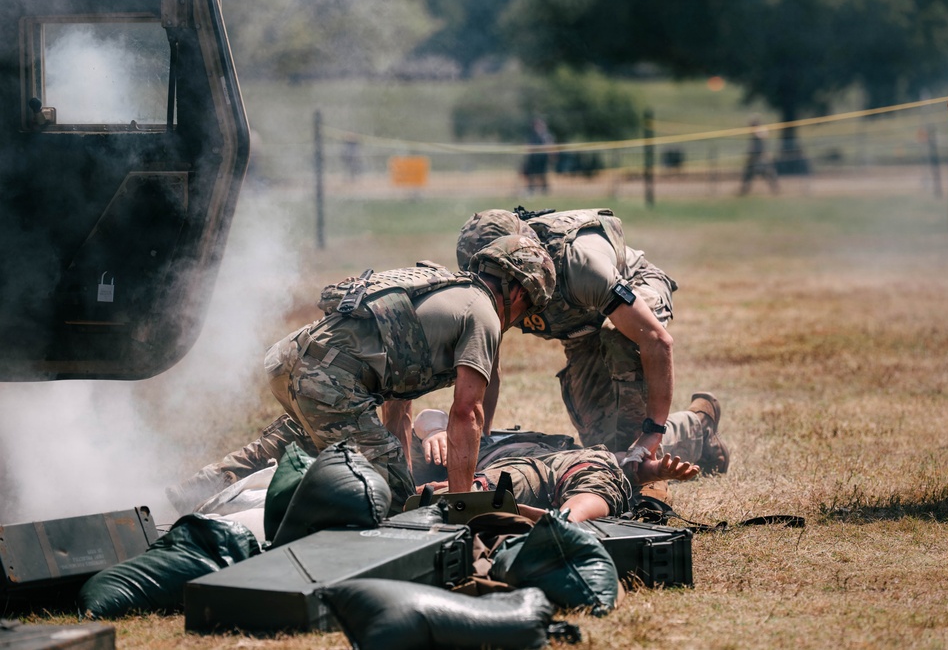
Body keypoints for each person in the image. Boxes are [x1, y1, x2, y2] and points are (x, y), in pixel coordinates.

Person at [166, 235, 557, 515]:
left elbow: (396, 404)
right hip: (331, 378)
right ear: (520, 294)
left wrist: (396, 456)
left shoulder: (445, 293)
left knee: (300, 442)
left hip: (294, 360)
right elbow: (466, 413)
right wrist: (462, 505)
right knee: (397, 500)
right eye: (526, 311)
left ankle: (201, 487)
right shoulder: (483, 313)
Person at [447, 208, 729, 487]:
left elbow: (655, 340)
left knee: (632, 450)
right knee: (605, 448)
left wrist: (652, 432)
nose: (489, 284)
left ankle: (681, 438)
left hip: (633, 289)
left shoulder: (580, 266)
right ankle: (697, 427)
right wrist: (480, 440)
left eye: (497, 273)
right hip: (580, 325)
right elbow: (487, 367)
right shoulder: (496, 285)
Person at [407, 408, 702, 523]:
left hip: (567, 463)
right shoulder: (469, 438)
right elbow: (427, 417)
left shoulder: (486, 438)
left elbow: (622, 462)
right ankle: (562, 524)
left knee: (596, 476)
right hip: (515, 468)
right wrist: (435, 432)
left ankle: (562, 523)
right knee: (502, 480)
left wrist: (654, 471)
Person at [739, 116, 779, 196]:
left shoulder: (761, 130)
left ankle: (775, 190)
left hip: (761, 157)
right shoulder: (755, 132)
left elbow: (761, 136)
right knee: (748, 174)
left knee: (768, 173)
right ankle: (744, 191)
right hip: (754, 158)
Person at [521, 116, 554, 195]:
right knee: (530, 174)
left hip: (542, 159)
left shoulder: (546, 136)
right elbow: (528, 146)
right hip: (533, 158)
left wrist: (551, 155)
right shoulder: (532, 135)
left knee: (542, 175)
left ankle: (544, 189)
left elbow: (550, 145)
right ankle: (531, 188)